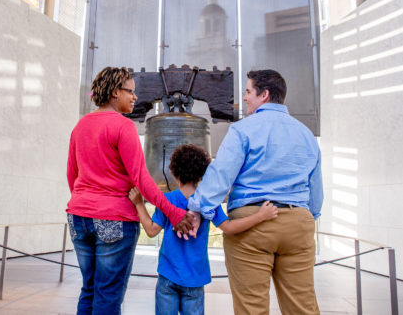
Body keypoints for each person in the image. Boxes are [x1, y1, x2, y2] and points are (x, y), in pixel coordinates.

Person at [187, 69, 324, 315]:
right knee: (303, 307)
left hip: (251, 225)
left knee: (252, 308)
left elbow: (221, 176)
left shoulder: (243, 130)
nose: (246, 98)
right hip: (298, 224)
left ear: (265, 94)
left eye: (248, 91)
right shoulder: (306, 135)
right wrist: (305, 217)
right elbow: (316, 193)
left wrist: (198, 208)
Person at [66, 67, 195, 315]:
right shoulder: (122, 126)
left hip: (78, 217)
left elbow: (72, 175)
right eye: (131, 92)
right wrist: (174, 213)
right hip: (114, 219)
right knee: (108, 295)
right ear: (115, 92)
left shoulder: (80, 126)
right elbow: (141, 179)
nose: (135, 97)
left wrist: (86, 203)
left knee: (90, 290)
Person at [128, 144, 278, 315]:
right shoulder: (208, 202)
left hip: (168, 276)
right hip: (195, 279)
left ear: (175, 173)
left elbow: (151, 230)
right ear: (202, 175)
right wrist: (260, 216)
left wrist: (139, 204)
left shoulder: (167, 200)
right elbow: (228, 228)